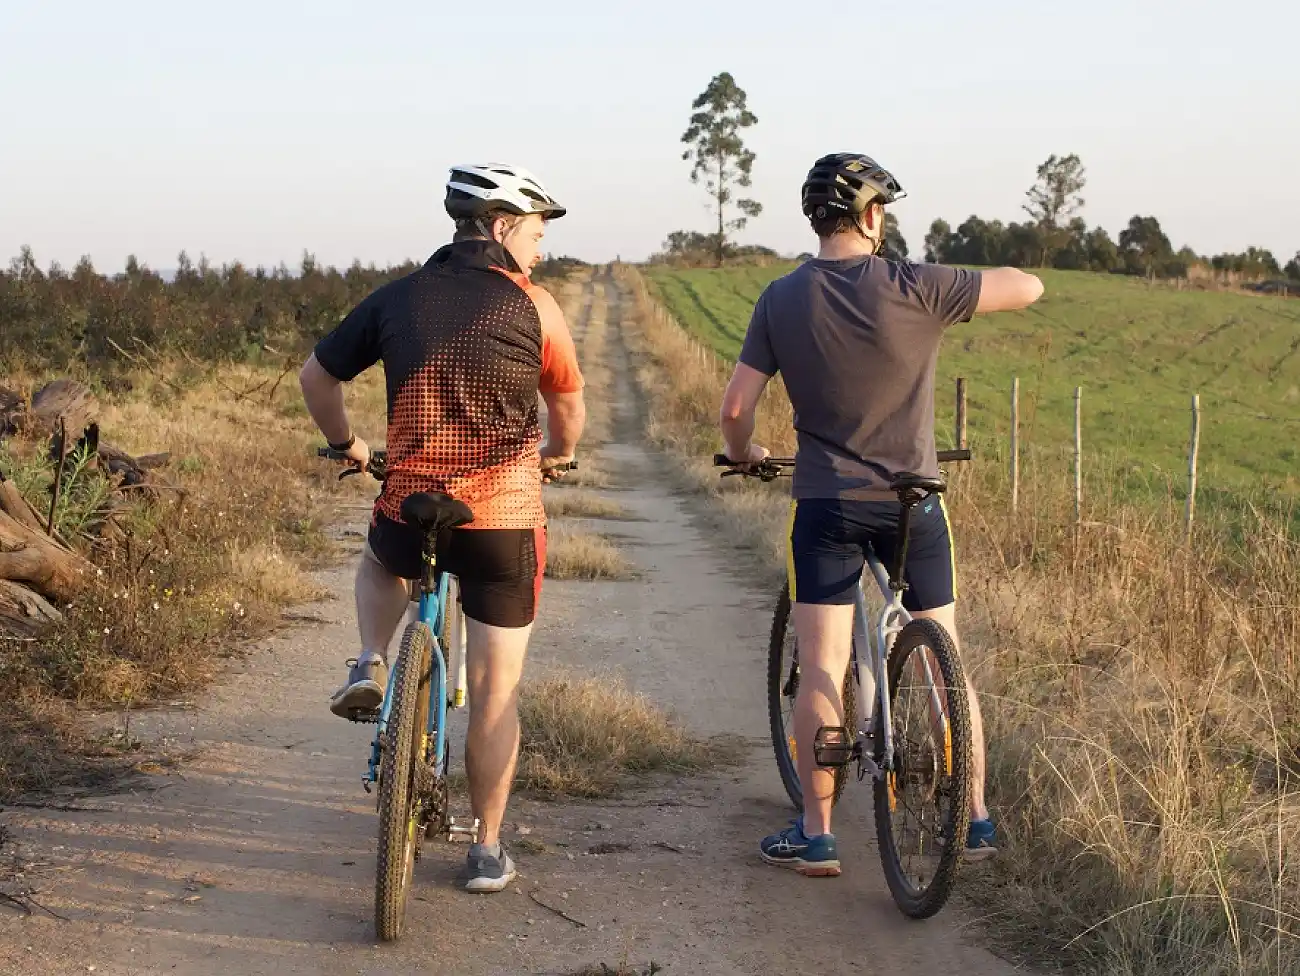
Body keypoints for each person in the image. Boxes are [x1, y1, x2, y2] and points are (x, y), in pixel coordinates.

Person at [718, 152, 1044, 877]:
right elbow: (1029, 286)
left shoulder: (780, 298)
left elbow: (735, 410)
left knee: (825, 665)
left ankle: (817, 832)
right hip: (914, 506)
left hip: (828, 506)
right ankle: (976, 817)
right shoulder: (918, 286)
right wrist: (953, 282)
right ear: (870, 216)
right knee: (944, 663)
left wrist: (744, 454)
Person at [299, 163, 586, 893]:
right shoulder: (537, 308)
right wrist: (559, 456)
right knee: (494, 694)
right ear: (499, 227)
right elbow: (569, 403)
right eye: (536, 229)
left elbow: (317, 378)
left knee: (381, 561)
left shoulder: (399, 298)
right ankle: (487, 849)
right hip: (502, 520)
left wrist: (350, 448)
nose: (542, 245)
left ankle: (368, 658)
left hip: (412, 503)